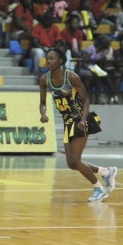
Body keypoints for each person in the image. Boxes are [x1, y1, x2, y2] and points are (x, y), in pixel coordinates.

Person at [39, 47, 116, 202]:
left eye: (52, 58)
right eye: (47, 58)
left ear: (60, 61)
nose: (48, 61)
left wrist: (82, 120)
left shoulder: (72, 77)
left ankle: (99, 189)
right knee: (72, 163)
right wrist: (43, 113)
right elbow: (42, 102)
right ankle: (106, 172)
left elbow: (86, 100)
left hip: (81, 120)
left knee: (76, 160)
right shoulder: (44, 79)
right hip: (67, 121)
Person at [30, 11, 63, 77]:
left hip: (51, 48)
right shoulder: (37, 27)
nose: (47, 20)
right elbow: (35, 42)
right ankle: (38, 75)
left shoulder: (55, 27)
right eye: (46, 18)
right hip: (39, 48)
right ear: (43, 18)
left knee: (58, 53)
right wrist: (44, 49)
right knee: (39, 52)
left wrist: (55, 49)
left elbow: (59, 41)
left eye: (49, 19)